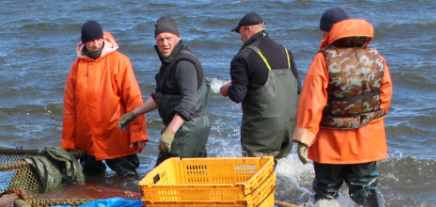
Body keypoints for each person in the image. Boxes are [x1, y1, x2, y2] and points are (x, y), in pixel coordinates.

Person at [293, 8, 392, 207]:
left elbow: (312, 101)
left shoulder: (323, 59)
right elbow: (385, 96)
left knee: (326, 191)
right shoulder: (375, 56)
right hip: (367, 141)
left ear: (330, 32)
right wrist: (367, 121)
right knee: (366, 190)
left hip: (330, 143)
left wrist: (304, 138)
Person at [119, 16, 210, 165]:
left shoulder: (184, 64)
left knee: (162, 179)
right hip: (183, 128)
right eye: (160, 39)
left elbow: (189, 102)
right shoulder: (169, 62)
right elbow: (160, 97)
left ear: (178, 38)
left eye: (168, 38)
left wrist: (170, 132)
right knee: (191, 174)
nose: (164, 43)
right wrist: (133, 114)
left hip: (188, 130)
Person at [62, 20, 148, 178]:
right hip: (87, 142)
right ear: (83, 43)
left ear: (103, 38)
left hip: (117, 136)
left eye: (97, 39)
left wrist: (139, 133)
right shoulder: (76, 67)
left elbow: (134, 99)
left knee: (129, 181)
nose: (95, 44)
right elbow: (70, 109)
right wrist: (68, 143)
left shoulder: (120, 61)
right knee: (91, 183)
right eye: (90, 41)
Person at [219, 12, 300, 160]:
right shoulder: (285, 52)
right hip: (288, 127)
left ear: (248, 30)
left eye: (240, 32)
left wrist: (228, 88)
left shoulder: (243, 57)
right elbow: (297, 88)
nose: (240, 37)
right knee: (273, 168)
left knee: (255, 170)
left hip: (263, 131)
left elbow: (238, 95)